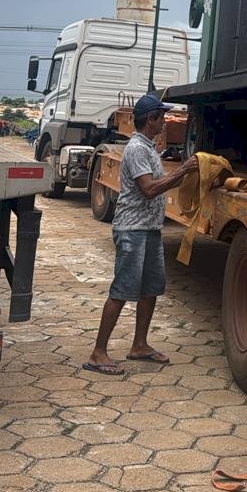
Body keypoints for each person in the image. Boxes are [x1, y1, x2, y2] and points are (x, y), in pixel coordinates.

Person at [84, 93, 198, 375]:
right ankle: (98, 353)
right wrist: (182, 171)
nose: (166, 121)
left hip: (149, 230)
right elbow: (148, 188)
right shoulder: (136, 149)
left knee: (151, 289)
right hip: (132, 230)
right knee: (122, 290)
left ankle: (139, 345)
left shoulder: (149, 147)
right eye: (163, 116)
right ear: (151, 119)